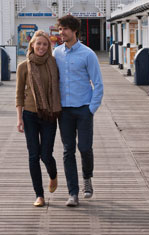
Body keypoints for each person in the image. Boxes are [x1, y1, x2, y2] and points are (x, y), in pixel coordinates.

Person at [53, 15, 104, 207]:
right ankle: (73, 193)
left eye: (65, 29)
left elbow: (98, 84)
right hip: (64, 110)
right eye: (60, 29)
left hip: (83, 108)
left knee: (84, 148)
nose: (61, 33)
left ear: (74, 31)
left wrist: (91, 109)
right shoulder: (56, 53)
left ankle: (87, 178)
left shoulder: (88, 54)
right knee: (68, 151)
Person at [15, 30, 62, 207]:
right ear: (32, 45)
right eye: (38, 44)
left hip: (50, 114)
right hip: (30, 114)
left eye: (45, 44)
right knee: (33, 155)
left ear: (48, 47)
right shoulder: (23, 66)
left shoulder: (54, 64)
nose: (41, 47)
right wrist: (19, 119)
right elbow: (19, 94)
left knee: (46, 154)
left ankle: (53, 174)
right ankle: (39, 195)